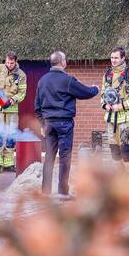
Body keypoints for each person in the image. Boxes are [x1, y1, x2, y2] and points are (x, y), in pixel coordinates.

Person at [34, 50, 99, 196]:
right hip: (64, 124)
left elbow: (37, 105)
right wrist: (96, 89)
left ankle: (45, 192)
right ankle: (63, 192)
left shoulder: (42, 80)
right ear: (62, 62)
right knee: (65, 158)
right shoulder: (67, 80)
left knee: (49, 158)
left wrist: (42, 123)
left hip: (49, 123)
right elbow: (85, 92)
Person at [101, 46, 129, 179]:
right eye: (112, 57)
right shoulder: (107, 75)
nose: (113, 60)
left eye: (116, 58)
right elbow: (103, 94)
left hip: (127, 121)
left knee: (127, 152)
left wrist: (121, 106)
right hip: (111, 121)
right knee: (115, 153)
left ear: (123, 58)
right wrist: (105, 105)